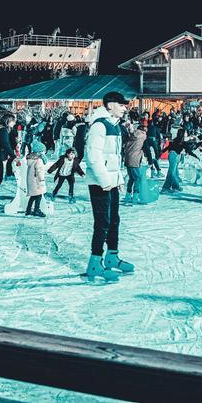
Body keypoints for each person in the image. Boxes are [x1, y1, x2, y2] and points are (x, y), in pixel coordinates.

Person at [84, 92, 133, 282]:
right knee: (102, 221)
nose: (124, 107)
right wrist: (105, 180)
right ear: (111, 105)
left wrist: (118, 179)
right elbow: (93, 157)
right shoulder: (99, 126)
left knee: (114, 220)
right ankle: (95, 262)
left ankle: (112, 256)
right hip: (99, 182)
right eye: (121, 104)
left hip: (110, 181)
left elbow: (115, 158)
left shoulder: (115, 126)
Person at [122, 120, 147, 206]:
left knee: (132, 178)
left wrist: (130, 127)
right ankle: (135, 197)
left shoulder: (132, 135)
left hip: (128, 158)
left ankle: (127, 196)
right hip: (134, 159)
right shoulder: (142, 135)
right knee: (138, 178)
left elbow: (133, 133)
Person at [23, 150, 47, 217]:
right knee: (38, 196)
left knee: (33, 196)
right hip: (37, 181)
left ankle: (28, 210)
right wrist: (41, 179)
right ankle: (37, 210)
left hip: (32, 181)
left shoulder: (31, 160)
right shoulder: (38, 160)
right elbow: (39, 171)